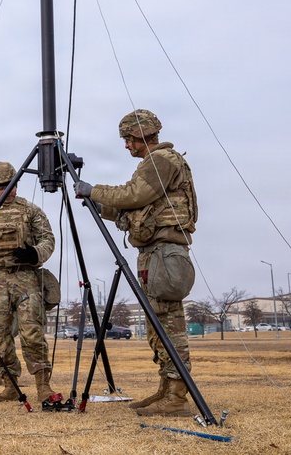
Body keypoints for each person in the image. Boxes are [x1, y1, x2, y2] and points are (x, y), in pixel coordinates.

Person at [73, 109, 197, 418]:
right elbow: (130, 210)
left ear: (141, 136)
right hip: (154, 254)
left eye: (129, 139)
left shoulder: (163, 161)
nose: (127, 145)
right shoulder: (151, 165)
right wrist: (97, 203)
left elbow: (134, 194)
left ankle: (177, 395)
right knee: (158, 324)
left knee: (168, 324)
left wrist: (94, 189)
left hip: (165, 254)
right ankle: (167, 390)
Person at [0, 162, 58, 403]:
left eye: (9, 185)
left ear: (16, 184)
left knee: (32, 331)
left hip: (25, 278)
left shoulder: (30, 210)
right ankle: (9, 384)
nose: (5, 191)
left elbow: (47, 239)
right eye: (0, 187)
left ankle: (43, 385)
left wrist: (34, 254)